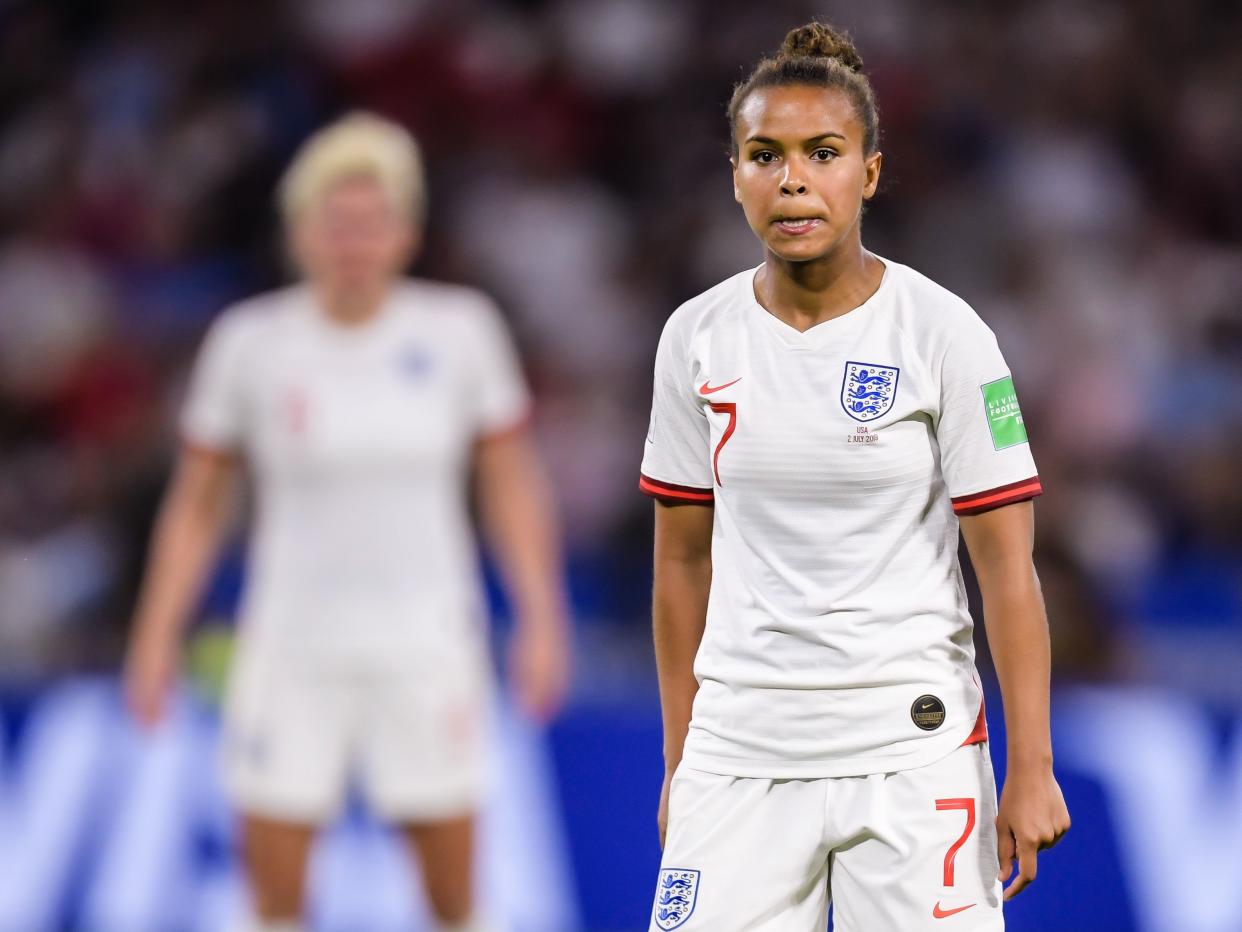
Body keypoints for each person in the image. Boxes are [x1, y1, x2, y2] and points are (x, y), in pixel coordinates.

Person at [640, 22, 1069, 932]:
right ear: (735, 175)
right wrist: (681, 759)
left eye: (822, 153)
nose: (792, 179)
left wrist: (1030, 765)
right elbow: (681, 564)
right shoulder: (695, 338)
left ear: (868, 173)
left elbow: (1008, 570)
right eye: (765, 155)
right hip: (740, 751)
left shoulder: (945, 334)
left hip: (911, 747)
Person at [123, 113, 571, 932]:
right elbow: (197, 503)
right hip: (289, 646)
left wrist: (541, 616)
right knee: (275, 904)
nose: (355, 242)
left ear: (407, 233)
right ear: (301, 232)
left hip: (427, 642)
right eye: (337, 223)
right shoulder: (251, 344)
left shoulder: (460, 332)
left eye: (374, 223)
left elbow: (511, 484)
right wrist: (156, 631)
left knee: (454, 903)